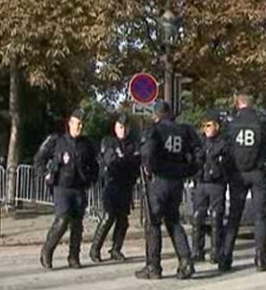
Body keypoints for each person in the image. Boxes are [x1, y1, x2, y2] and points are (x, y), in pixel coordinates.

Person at [135, 100, 201, 280]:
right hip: (176, 181)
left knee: (153, 223)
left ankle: (153, 266)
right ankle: (186, 261)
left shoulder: (154, 130)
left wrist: (148, 168)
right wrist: (188, 171)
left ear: (156, 115)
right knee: (173, 221)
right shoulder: (184, 130)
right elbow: (198, 154)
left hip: (159, 180)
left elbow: (147, 152)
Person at [34, 108, 99, 269]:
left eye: (82, 124)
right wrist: (45, 174)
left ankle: (74, 257)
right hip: (61, 187)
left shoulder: (87, 144)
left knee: (77, 224)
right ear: (70, 124)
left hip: (79, 188)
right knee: (62, 220)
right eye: (77, 124)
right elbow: (39, 159)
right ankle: (47, 252)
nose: (80, 127)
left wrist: (91, 179)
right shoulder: (57, 141)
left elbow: (95, 164)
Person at [220, 90, 266, 272]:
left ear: (238, 104)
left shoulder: (231, 122)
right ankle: (261, 259)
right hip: (258, 172)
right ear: (252, 104)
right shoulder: (262, 121)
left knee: (234, 217)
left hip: (237, 173)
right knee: (260, 216)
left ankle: (225, 258)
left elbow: (225, 147)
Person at [89, 113, 139, 263]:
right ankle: (95, 249)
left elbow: (136, 162)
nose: (123, 130)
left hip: (126, 186)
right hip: (111, 185)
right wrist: (126, 160)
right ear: (115, 127)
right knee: (108, 217)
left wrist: (125, 160)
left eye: (126, 127)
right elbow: (111, 161)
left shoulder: (132, 144)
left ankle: (116, 249)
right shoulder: (108, 141)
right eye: (120, 127)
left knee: (123, 221)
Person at [191, 111, 229, 264]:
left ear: (217, 126)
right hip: (201, 182)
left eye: (209, 125)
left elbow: (226, 161)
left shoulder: (223, 142)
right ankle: (197, 251)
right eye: (204, 126)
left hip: (216, 183)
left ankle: (215, 252)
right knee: (197, 216)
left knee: (216, 217)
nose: (205, 128)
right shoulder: (200, 142)